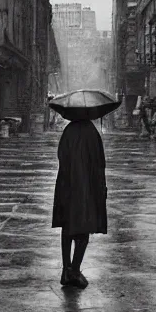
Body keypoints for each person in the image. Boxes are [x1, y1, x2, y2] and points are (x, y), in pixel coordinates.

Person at [52, 118, 108, 289]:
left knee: (67, 226)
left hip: (67, 184)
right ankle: (75, 270)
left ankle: (66, 268)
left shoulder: (69, 130)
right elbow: (99, 163)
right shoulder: (92, 132)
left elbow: (61, 155)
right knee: (84, 227)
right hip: (87, 187)